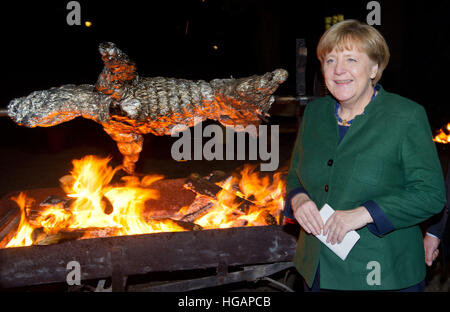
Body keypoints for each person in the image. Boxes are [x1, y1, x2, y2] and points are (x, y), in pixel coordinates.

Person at [284, 19, 446, 291]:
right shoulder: (315, 114)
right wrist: (298, 200)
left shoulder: (406, 116)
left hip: (383, 275)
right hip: (317, 271)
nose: (339, 70)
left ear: (374, 68)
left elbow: (430, 196)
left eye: (351, 59)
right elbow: (294, 176)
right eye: (330, 60)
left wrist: (364, 214)